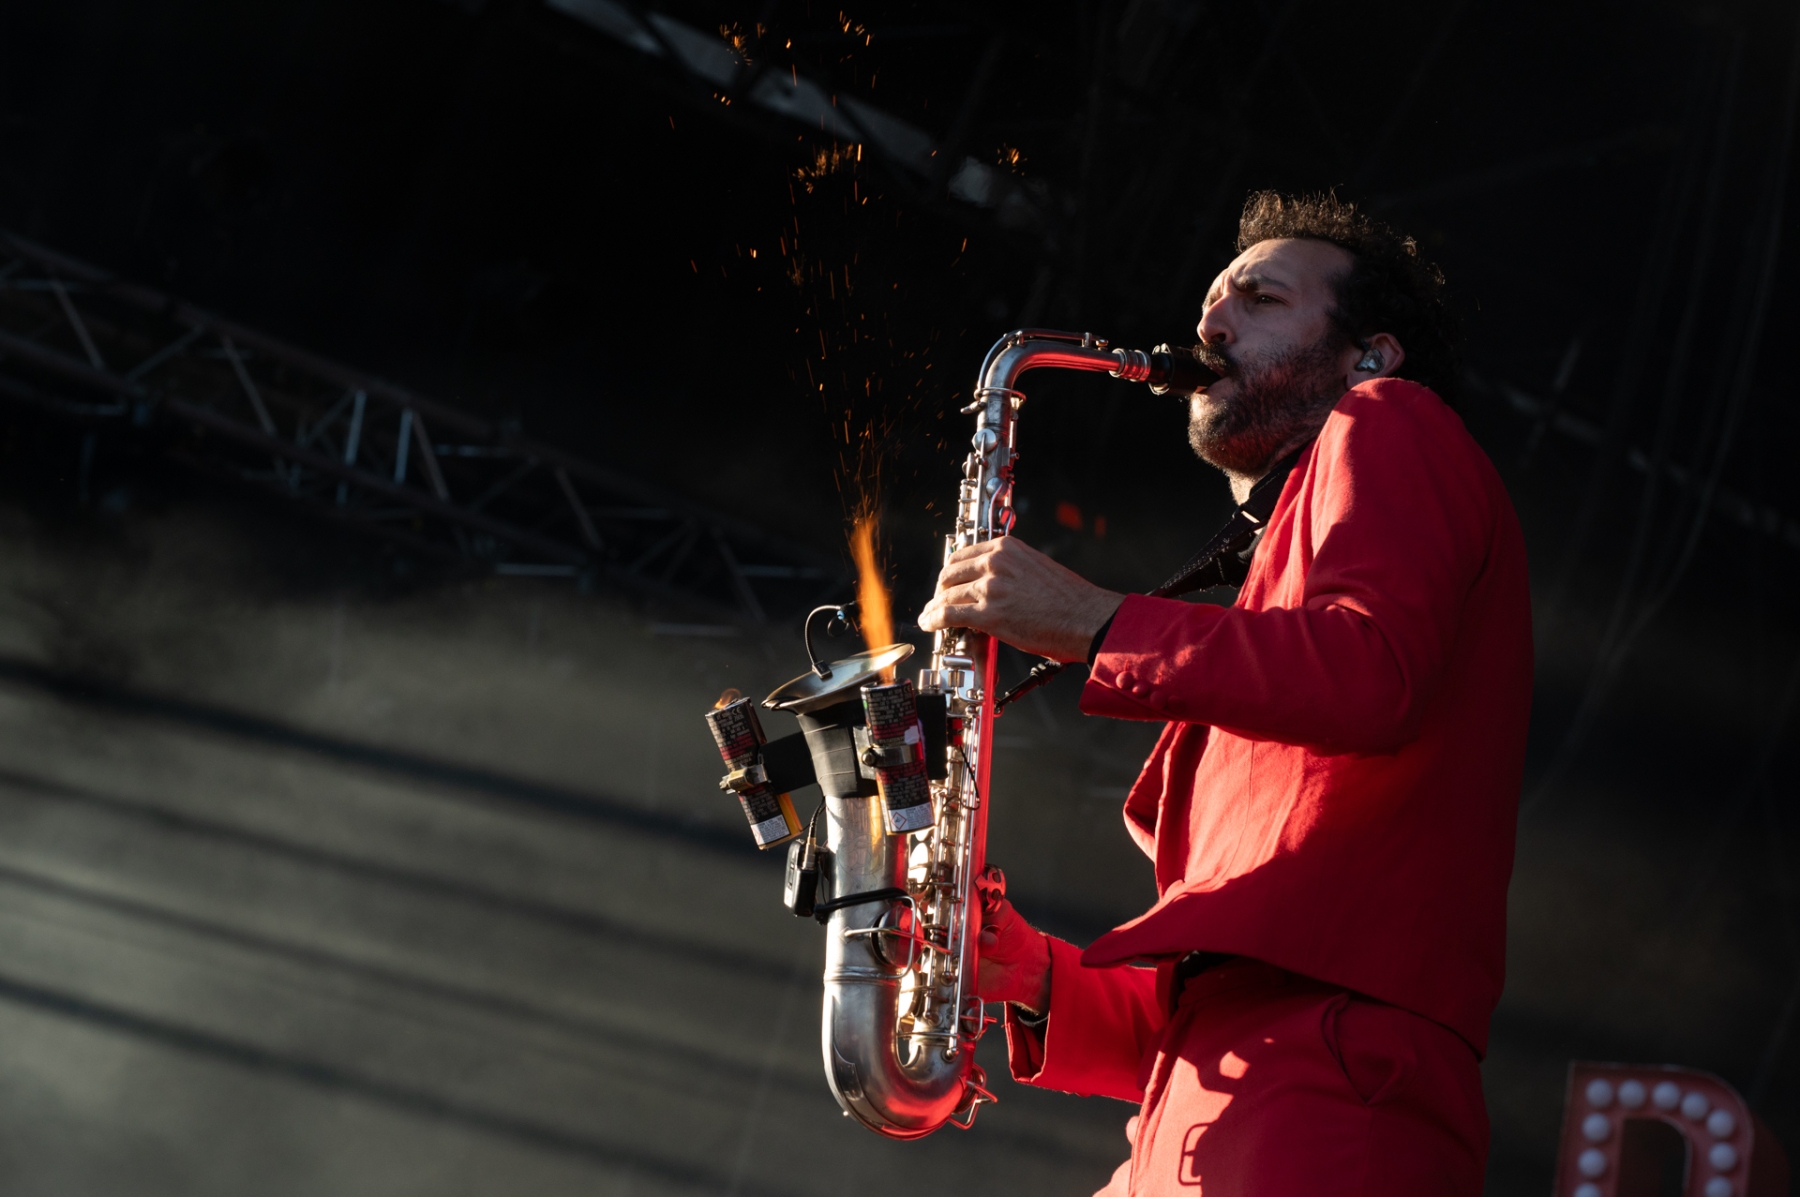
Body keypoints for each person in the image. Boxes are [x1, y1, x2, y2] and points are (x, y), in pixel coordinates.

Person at [917, 191, 1532, 1196]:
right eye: (1211, 301)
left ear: (1369, 356)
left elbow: (1370, 674)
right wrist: (1028, 971)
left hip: (1320, 1091)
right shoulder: (1272, 587)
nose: (1210, 325)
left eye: (1260, 297)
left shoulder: (1390, 416)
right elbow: (1206, 1016)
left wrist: (1094, 621)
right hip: (1223, 1099)